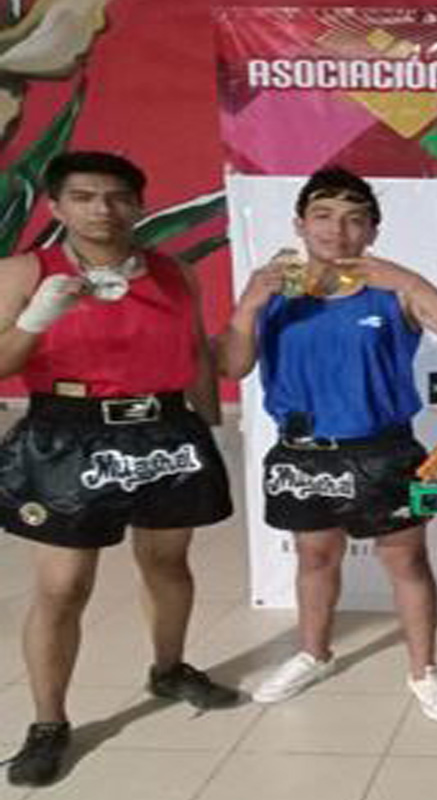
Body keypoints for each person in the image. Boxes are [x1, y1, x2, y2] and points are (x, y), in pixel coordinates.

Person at [0, 151, 237, 787]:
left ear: (138, 204)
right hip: (67, 433)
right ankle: (48, 722)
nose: (101, 210)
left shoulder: (174, 272)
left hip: (164, 429)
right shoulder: (23, 271)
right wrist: (36, 318)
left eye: (116, 197)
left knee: (167, 564)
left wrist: (211, 427)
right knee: (63, 587)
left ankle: (169, 668)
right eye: (83, 197)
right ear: (57, 206)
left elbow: (195, 354)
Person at [216, 167, 437, 721]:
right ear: (300, 224)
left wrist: (411, 281)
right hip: (301, 453)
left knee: (406, 560)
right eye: (323, 216)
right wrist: (247, 306)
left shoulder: (393, 291)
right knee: (315, 556)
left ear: (372, 230)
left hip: (383, 451)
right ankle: (312, 654)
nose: (337, 231)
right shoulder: (275, 291)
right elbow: (232, 366)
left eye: (353, 219)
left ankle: (425, 670)